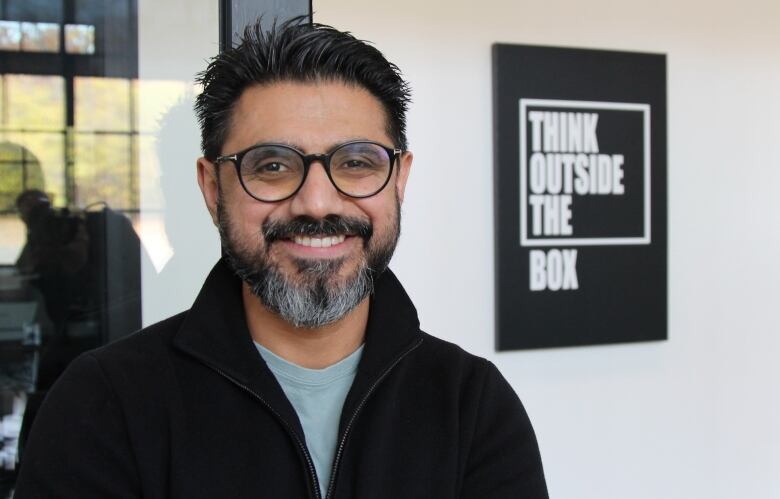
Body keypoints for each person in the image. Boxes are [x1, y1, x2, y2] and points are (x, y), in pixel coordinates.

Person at [15, 18, 548, 499]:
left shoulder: (471, 407)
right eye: (271, 166)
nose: (317, 203)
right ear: (211, 188)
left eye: (356, 162)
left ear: (399, 179)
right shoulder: (104, 406)